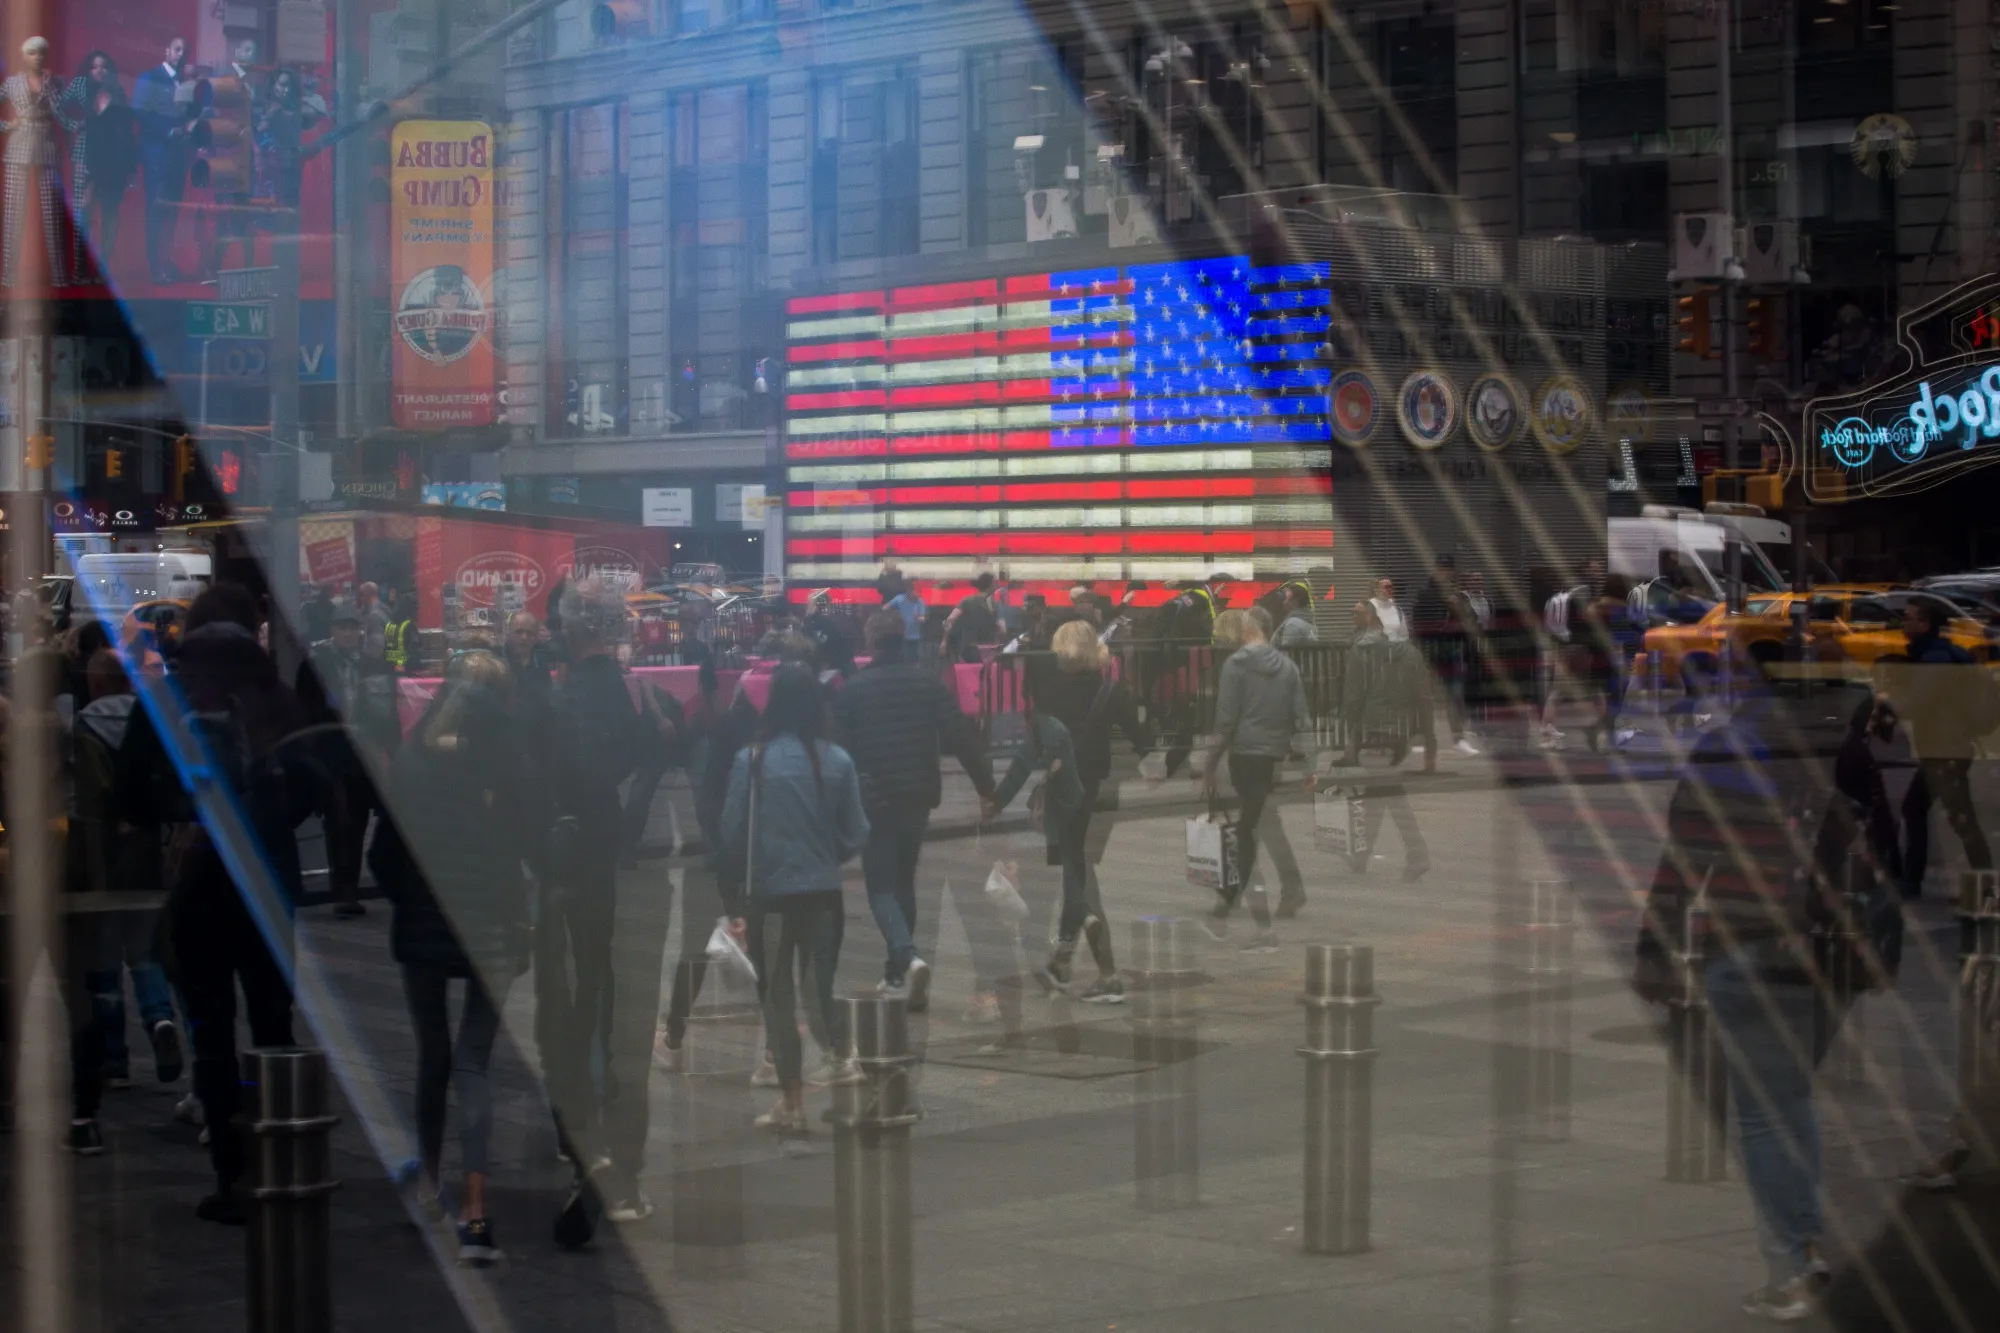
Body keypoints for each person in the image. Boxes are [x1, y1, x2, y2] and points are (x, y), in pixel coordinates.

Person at [1635, 700, 1849, 1321]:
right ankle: (1804, 1245)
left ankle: (1789, 1268)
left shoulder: (1722, 753)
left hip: (1746, 947)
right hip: (1819, 956)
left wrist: (1654, 951)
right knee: (1792, 1098)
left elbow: (1682, 863)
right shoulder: (1830, 747)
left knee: (1763, 1114)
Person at [120, 584, 315, 1222]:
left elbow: (130, 795)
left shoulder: (167, 698)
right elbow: (313, 781)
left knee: (210, 1030)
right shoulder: (276, 698)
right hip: (267, 876)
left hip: (199, 878)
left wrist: (185, 816)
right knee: (272, 1023)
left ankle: (232, 1175)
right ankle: (281, 1158)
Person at [369, 649, 533, 1266]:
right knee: (473, 1064)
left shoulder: (412, 764)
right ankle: (477, 1213)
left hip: (422, 927)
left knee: (432, 1056)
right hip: (490, 925)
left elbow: (383, 855)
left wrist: (411, 896)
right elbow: (525, 845)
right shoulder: (504, 766)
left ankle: (430, 1186)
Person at [539, 580, 645, 1245]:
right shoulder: (625, 693)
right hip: (605, 850)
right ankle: (599, 1090)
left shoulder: (566, 697)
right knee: (599, 972)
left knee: (565, 987)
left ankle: (577, 1114)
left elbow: (551, 769)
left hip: (567, 853)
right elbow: (637, 753)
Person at [722, 663, 870, 1135]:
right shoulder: (839, 760)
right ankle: (841, 1054)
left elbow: (731, 830)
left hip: (770, 893)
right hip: (824, 892)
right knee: (818, 980)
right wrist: (830, 853)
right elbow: (857, 832)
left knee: (778, 995)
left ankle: (792, 1099)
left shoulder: (753, 760)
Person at [1884, 596, 1997, 1193]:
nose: (1902, 622)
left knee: (1948, 817)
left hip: (1944, 748)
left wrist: (1886, 703)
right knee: (1927, 813)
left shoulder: (1934, 658)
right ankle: (1965, 874)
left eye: (1908, 616)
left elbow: (1919, 701)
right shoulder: (1943, 653)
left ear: (1924, 622)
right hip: (1944, 746)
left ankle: (1975, 878)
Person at [834, 611, 995, 1010]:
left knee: (881, 886)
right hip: (918, 796)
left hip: (875, 799)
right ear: (903, 639)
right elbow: (960, 734)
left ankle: (907, 956)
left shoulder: (854, 690)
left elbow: (841, 750)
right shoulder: (927, 683)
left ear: (871, 643)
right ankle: (896, 973)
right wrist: (986, 787)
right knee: (904, 880)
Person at [985, 621, 1152, 1002]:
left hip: (1062, 796)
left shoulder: (1048, 694)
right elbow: (1144, 739)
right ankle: (1062, 962)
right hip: (1094, 793)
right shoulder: (1110, 689)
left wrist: (998, 797)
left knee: (1079, 880)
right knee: (1078, 872)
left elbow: (1028, 755)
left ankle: (1106, 974)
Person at [73, 649, 182, 1089]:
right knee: (144, 949)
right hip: (146, 852)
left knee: (102, 958)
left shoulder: (84, 724)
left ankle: (114, 1058)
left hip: (99, 858)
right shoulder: (149, 720)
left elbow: (88, 796)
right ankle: (159, 1018)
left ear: (96, 683)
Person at [1200, 607, 1321, 948]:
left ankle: (1233, 909)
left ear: (1247, 628)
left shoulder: (1235, 665)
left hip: (1243, 755)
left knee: (1246, 832)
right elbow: (1302, 719)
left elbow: (1225, 721)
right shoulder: (1288, 667)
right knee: (1254, 826)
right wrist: (1311, 766)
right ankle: (1240, 908)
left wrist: (1209, 764)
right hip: (1271, 757)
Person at [295, 607, 399, 918]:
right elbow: (306, 714)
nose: (348, 634)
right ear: (332, 630)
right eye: (342, 628)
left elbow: (388, 715)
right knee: (340, 824)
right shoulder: (314, 666)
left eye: (352, 628)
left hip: (366, 756)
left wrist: (393, 754)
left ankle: (362, 884)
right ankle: (344, 890)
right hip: (332, 755)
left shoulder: (375, 665)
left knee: (365, 822)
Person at [2, 36, 73, 288]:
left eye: (41, 53)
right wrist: (6, 125)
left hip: (47, 146)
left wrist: (49, 86)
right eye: (32, 53)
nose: (37, 57)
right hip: (18, 147)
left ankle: (59, 276)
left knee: (52, 214)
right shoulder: (11, 83)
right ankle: (8, 275)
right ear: (24, 56)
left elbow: (62, 113)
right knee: (13, 214)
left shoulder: (56, 81)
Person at [60, 51, 136, 277]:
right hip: (86, 154)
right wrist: (74, 125)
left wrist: (130, 167)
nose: (99, 71)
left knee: (110, 210)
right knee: (84, 209)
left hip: (113, 158)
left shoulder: (117, 91)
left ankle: (103, 263)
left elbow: (127, 132)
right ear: (88, 69)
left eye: (103, 67)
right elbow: (58, 108)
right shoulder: (80, 84)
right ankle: (80, 264)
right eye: (94, 67)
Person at [131, 37, 194, 285]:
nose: (181, 54)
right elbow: (140, 111)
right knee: (156, 211)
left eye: (184, 50)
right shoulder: (150, 77)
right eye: (177, 49)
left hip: (178, 157)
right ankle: (156, 266)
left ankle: (166, 261)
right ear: (166, 50)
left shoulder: (183, 82)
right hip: (157, 155)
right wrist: (168, 131)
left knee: (172, 212)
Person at [1412, 556, 1479, 757]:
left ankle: (1458, 738)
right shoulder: (1425, 594)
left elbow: (1471, 622)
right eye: (1442, 569)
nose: (1445, 574)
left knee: (1455, 696)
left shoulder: (1459, 596)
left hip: (1452, 652)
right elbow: (1418, 622)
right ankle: (1425, 738)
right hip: (1430, 652)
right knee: (1425, 697)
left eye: (1448, 570)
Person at [943, 572, 1002, 663]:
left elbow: (950, 619)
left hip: (969, 648)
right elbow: (1002, 629)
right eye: (995, 583)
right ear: (991, 585)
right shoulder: (994, 605)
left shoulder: (967, 601)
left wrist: (944, 641)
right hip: (988, 650)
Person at [1271, 581, 1319, 647]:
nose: (1284, 602)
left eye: (1287, 599)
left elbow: (1286, 652)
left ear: (1297, 601)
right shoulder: (1309, 623)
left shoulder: (1293, 624)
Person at [384, 592, 418, 675]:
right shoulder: (409, 626)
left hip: (389, 670)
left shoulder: (389, 625)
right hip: (406, 671)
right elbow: (414, 650)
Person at [355, 580, 390, 659]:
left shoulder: (374, 616)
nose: (360, 598)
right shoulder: (386, 610)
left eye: (361, 595)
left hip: (376, 663)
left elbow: (376, 648)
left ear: (368, 595)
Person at [1367, 575, 1407, 642]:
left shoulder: (1397, 608)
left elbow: (1404, 633)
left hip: (1396, 649)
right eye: (1386, 587)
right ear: (1376, 590)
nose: (1390, 589)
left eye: (1391, 587)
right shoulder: (1369, 607)